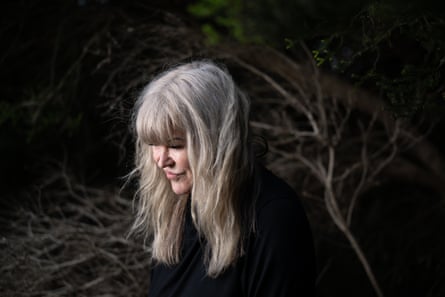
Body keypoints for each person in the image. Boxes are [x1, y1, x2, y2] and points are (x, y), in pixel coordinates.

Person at [130, 60, 316, 297]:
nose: (161, 159)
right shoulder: (181, 210)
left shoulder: (273, 218)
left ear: (216, 141)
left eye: (175, 145)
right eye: (154, 144)